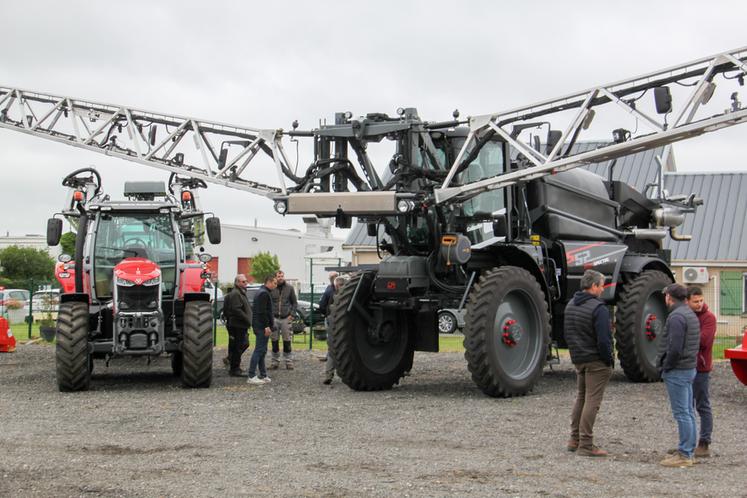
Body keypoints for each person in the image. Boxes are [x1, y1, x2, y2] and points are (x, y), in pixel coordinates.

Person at [564, 269, 614, 457]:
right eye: (601, 286)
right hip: (596, 361)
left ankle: (574, 439)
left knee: (581, 398)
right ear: (593, 286)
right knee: (592, 401)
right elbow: (604, 339)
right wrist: (608, 359)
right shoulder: (598, 308)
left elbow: (568, 333)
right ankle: (586, 444)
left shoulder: (571, 305)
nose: (603, 290)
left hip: (579, 358)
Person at [657, 283, 701, 468]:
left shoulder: (676, 317)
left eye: (666, 295)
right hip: (689, 367)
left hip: (678, 370)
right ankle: (688, 449)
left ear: (669, 297)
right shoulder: (689, 314)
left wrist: (666, 366)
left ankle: (685, 454)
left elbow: (675, 347)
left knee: (682, 413)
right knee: (688, 412)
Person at [687, 286, 717, 458]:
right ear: (688, 301)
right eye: (695, 301)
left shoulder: (709, 318)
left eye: (701, 300)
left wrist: (684, 338)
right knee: (686, 407)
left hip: (701, 368)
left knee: (702, 405)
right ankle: (688, 442)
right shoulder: (687, 315)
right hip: (686, 367)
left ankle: (704, 443)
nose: (699, 304)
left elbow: (703, 341)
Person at [247, 274, 277, 385]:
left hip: (260, 326)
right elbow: (262, 312)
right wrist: (266, 326)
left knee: (262, 351)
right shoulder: (263, 293)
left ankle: (263, 374)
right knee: (259, 350)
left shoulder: (262, 292)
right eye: (274, 283)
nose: (275, 285)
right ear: (268, 282)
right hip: (261, 327)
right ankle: (251, 375)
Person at [222, 275, 252, 376]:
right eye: (243, 282)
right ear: (237, 283)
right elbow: (236, 309)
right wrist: (247, 319)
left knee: (241, 344)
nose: (246, 283)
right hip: (237, 325)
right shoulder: (236, 293)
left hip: (240, 324)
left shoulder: (240, 292)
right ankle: (235, 369)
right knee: (238, 346)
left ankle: (232, 361)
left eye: (246, 281)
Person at [269, 270, 298, 370]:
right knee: (274, 340)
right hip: (274, 318)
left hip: (286, 318)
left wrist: (292, 314)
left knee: (287, 340)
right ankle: (275, 361)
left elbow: (294, 303)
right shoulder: (272, 288)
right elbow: (268, 302)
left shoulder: (289, 288)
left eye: (282, 276)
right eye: (278, 276)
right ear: (275, 277)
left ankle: (288, 361)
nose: (280, 278)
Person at [321, 275, 345, 385]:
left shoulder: (333, 293)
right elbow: (326, 308)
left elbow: (325, 307)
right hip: (336, 326)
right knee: (333, 349)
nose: (339, 287)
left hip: (338, 326)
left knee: (334, 349)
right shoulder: (333, 294)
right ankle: (329, 374)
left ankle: (330, 374)